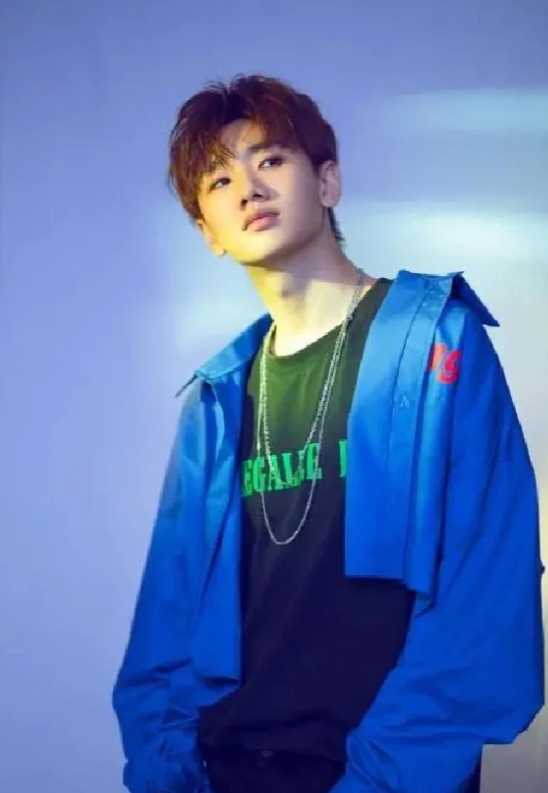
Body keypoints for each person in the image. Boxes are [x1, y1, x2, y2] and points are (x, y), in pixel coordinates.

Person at [112, 74, 545, 793]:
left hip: (384, 771)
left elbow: (486, 589)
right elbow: (167, 614)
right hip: (227, 766)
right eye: (219, 180)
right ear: (207, 232)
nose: (248, 188)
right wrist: (169, 773)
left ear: (328, 181)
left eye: (270, 159)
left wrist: (381, 780)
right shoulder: (218, 397)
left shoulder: (436, 342)